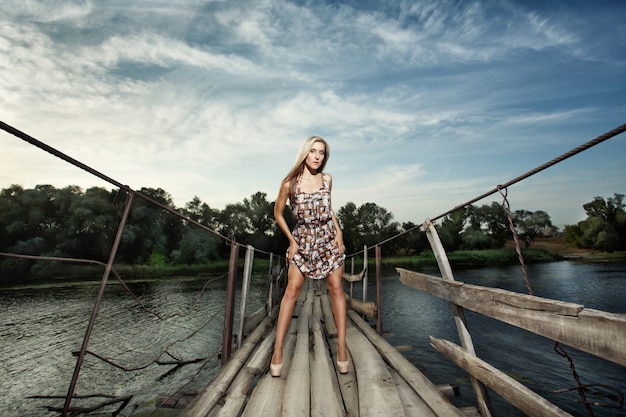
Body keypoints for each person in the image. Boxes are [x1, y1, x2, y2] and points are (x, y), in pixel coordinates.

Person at [270, 135, 349, 377]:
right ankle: (278, 349)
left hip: (328, 238)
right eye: (313, 151)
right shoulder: (289, 184)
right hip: (303, 240)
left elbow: (329, 209)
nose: (317, 156)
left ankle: (341, 347)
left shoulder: (327, 179)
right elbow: (278, 213)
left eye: (322, 152)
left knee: (336, 289)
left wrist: (339, 233)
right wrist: (292, 242)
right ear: (305, 153)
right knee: (292, 291)